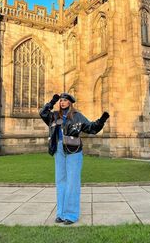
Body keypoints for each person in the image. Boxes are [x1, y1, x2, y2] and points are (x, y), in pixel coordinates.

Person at [39, 93, 109, 225]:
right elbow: (42, 113)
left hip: (74, 150)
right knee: (60, 182)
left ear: (70, 102)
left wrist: (102, 120)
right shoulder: (54, 116)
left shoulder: (77, 116)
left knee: (73, 182)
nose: (62, 102)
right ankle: (61, 213)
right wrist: (51, 102)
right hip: (59, 149)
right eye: (60, 101)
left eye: (64, 100)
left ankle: (71, 215)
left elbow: (91, 128)